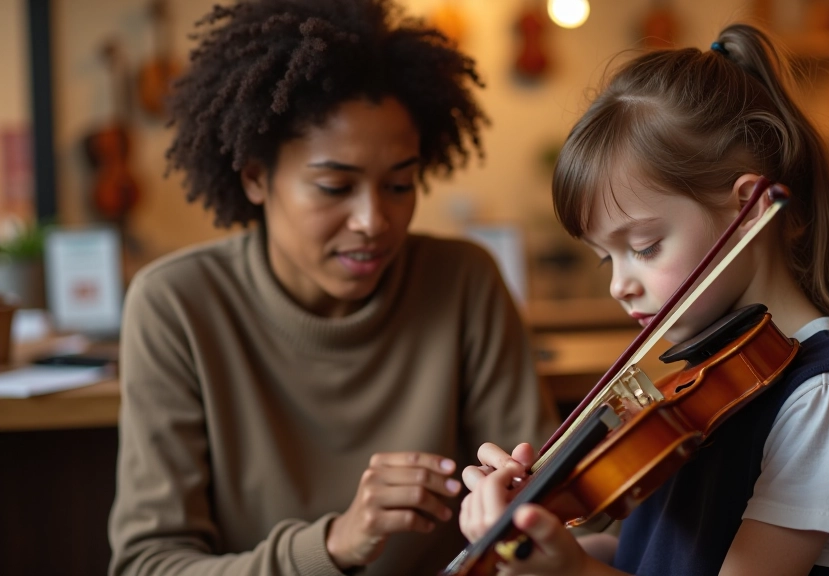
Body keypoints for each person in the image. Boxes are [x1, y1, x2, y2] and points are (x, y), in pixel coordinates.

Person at [107, 1, 558, 575]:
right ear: (254, 177)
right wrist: (337, 544)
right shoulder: (175, 305)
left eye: (399, 185)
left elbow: (549, 501)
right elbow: (148, 564)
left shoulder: (464, 280)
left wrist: (526, 502)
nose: (373, 220)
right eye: (333, 186)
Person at [458, 24, 829, 576]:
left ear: (748, 208)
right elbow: (646, 554)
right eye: (607, 257)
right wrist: (542, 543)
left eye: (644, 247)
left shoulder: (826, 401)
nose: (617, 285)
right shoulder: (701, 386)